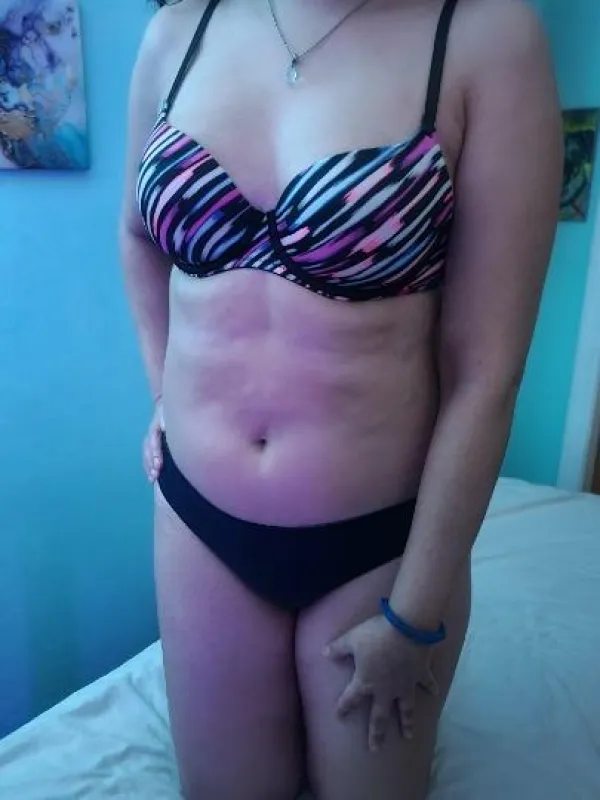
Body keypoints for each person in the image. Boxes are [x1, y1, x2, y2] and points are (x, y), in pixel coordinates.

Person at [119, 0, 562, 797]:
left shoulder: (486, 33)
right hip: (197, 520)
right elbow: (136, 237)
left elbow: (485, 372)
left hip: (377, 547)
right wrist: (162, 391)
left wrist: (415, 615)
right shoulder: (176, 32)